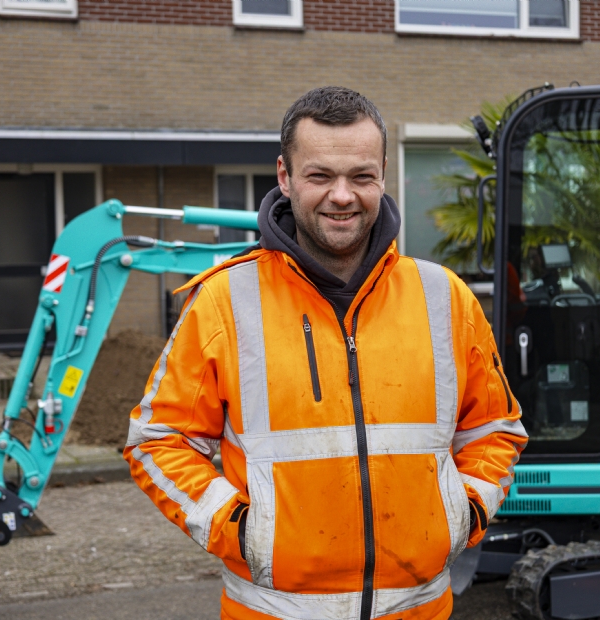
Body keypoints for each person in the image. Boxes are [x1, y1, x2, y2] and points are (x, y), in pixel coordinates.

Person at [125, 86, 527, 620]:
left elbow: (495, 431)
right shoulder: (225, 302)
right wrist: (242, 531)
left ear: (382, 174)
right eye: (319, 176)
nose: (342, 195)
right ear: (285, 177)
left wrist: (463, 512)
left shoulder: (444, 297)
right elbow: (159, 440)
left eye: (361, 176)